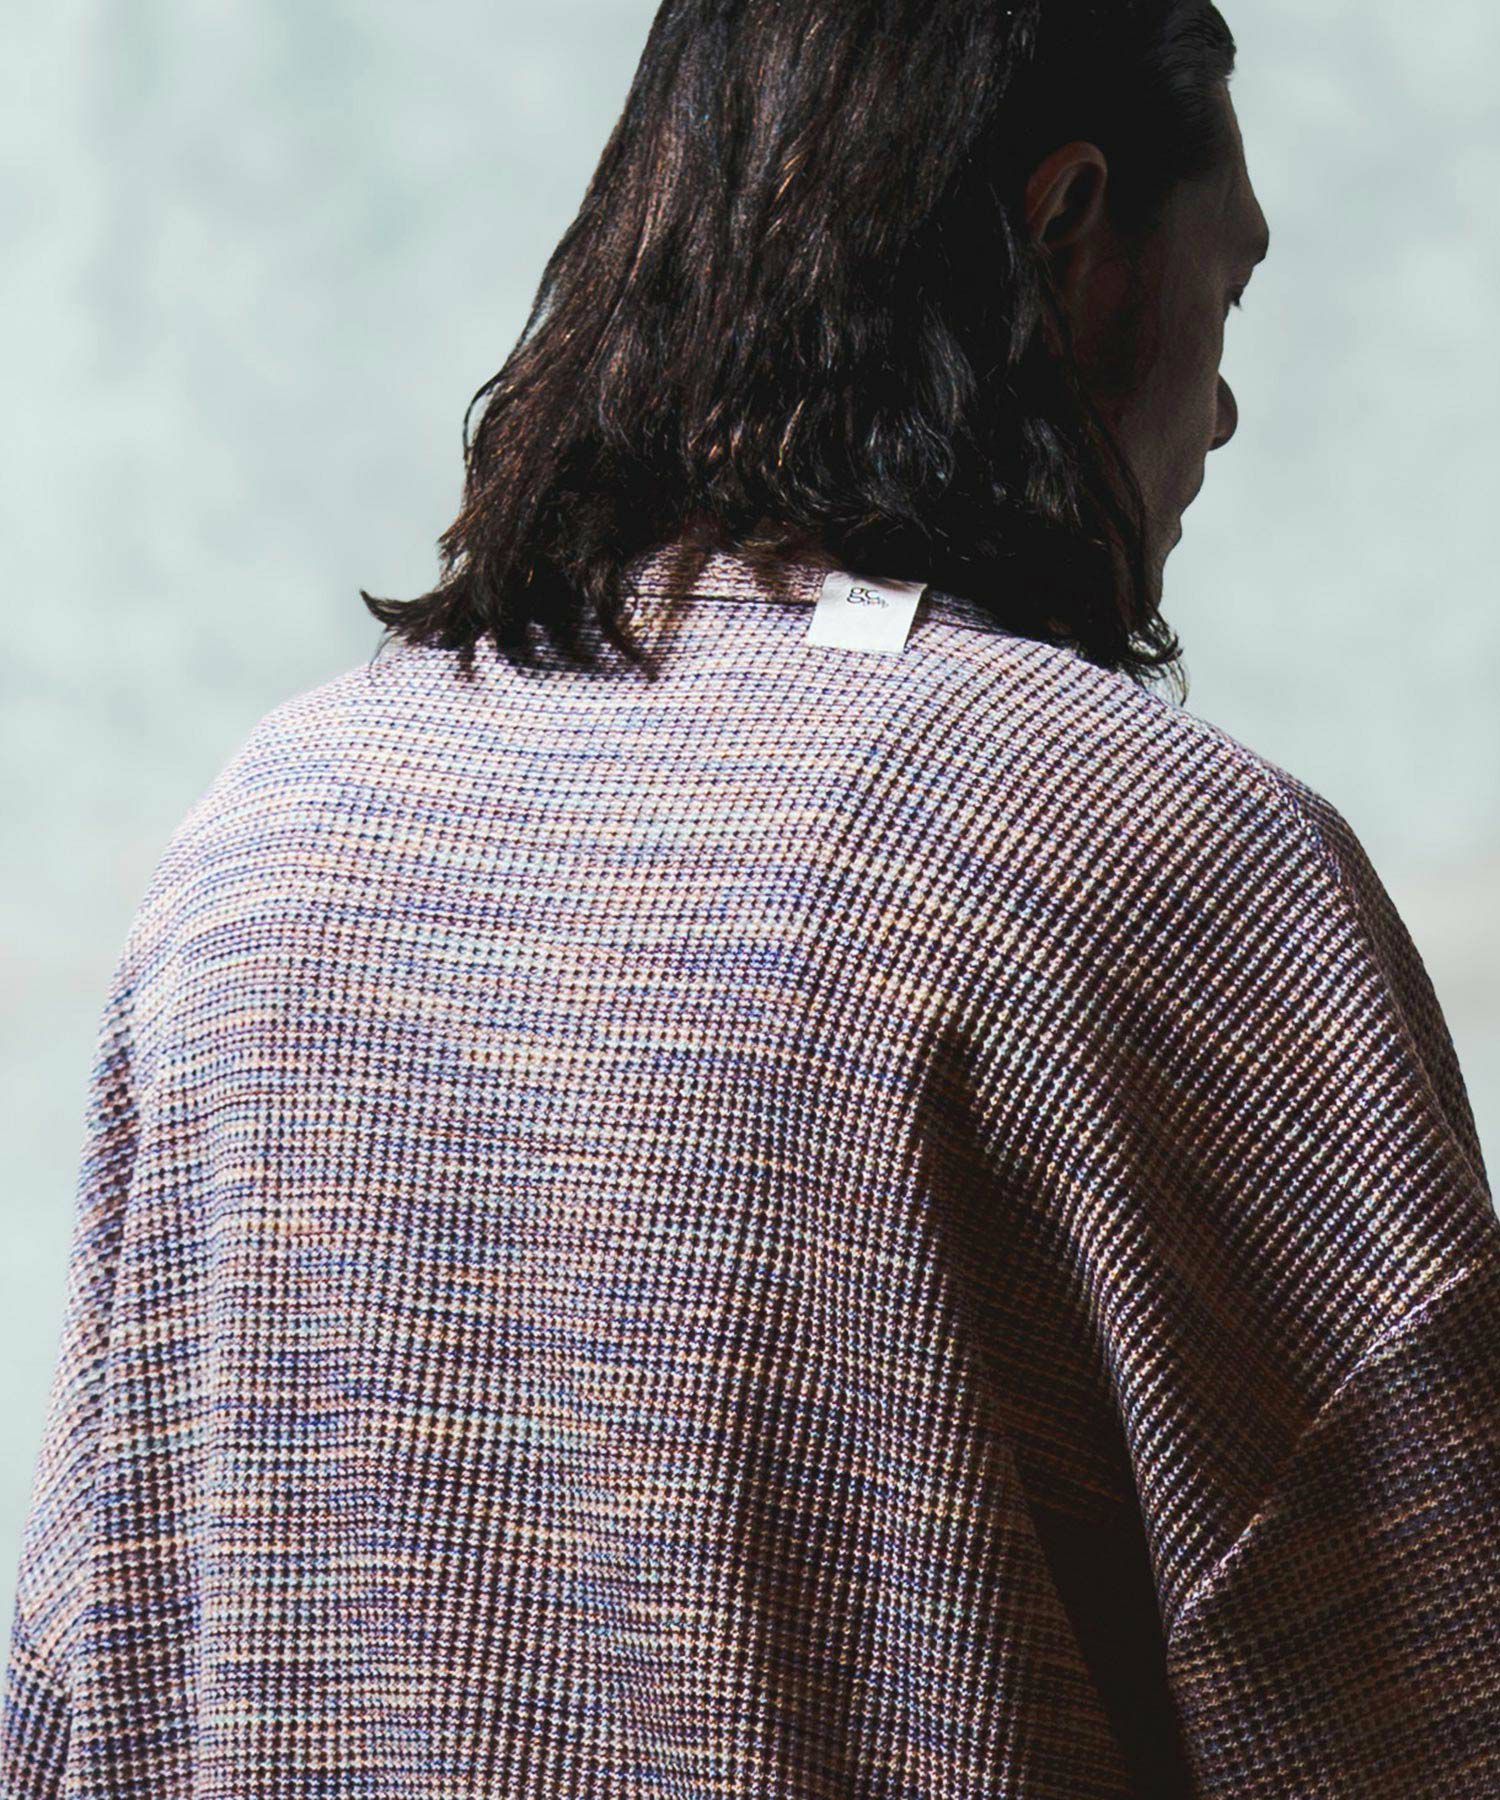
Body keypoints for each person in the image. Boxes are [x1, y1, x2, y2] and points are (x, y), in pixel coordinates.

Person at [4, 1, 1496, 1795]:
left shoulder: (260, 848)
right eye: (1227, 293)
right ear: (1069, 227)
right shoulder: (1165, 871)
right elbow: (1423, 1710)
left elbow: (71, 1704)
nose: (1229, 411)